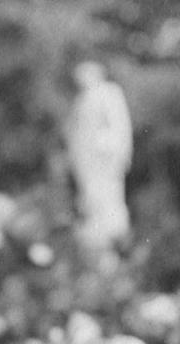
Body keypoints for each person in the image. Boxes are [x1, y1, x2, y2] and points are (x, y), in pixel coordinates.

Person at [66, 61, 133, 267]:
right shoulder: (81, 100)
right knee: (91, 201)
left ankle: (109, 236)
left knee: (107, 200)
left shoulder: (109, 93)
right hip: (86, 162)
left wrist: (117, 152)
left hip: (103, 157)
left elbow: (120, 125)